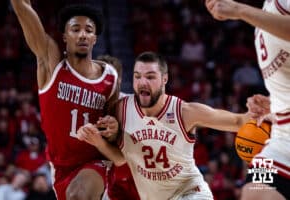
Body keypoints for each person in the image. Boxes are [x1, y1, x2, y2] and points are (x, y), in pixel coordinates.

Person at [77, 51, 251, 200]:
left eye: (150, 77)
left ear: (164, 79)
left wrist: (264, 115)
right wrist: (99, 141)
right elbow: (120, 158)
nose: (143, 82)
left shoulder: (183, 112)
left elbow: (237, 121)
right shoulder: (121, 110)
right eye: (137, 76)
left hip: (189, 193)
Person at [11, 1, 120, 200]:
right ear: (64, 36)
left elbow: (114, 130)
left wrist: (113, 128)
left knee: (79, 194)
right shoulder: (52, 64)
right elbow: (22, 10)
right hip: (61, 168)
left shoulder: (110, 77)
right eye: (75, 29)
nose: (82, 34)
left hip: (96, 162)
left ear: (95, 38)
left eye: (89, 30)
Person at [206, 0, 290, 199]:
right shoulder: (265, 13)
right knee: (255, 192)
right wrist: (275, 105)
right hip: (283, 139)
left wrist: (238, 10)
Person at [96, 55, 140, 200]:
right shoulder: (86, 105)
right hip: (96, 169)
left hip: (126, 173)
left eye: (110, 78)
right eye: (101, 77)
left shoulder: (133, 106)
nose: (106, 82)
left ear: (119, 80)